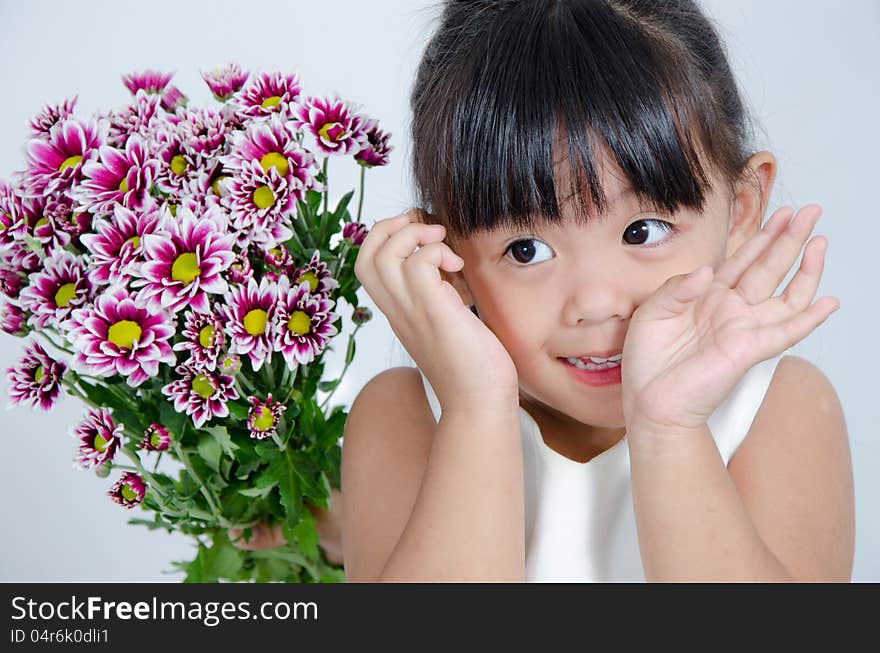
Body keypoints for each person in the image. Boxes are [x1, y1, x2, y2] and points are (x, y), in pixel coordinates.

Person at [340, 0, 855, 582]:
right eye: (527, 249)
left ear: (739, 210)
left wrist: (668, 428)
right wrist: (477, 410)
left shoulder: (779, 409)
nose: (595, 302)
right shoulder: (407, 415)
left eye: (643, 231)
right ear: (449, 262)